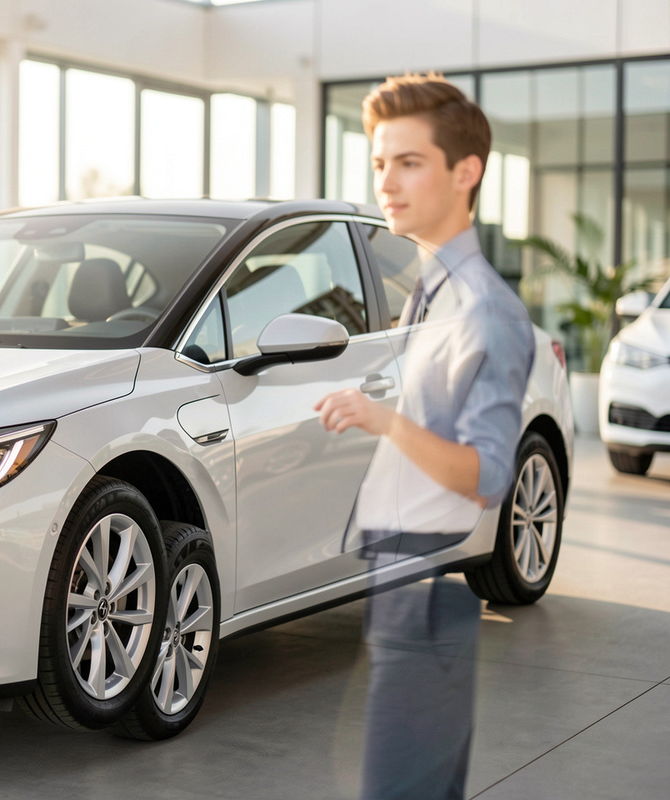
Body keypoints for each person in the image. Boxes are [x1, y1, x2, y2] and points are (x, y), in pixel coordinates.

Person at [313, 73, 535, 799]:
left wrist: (382, 419)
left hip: (430, 584)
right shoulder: (430, 290)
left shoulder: (484, 314)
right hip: (399, 583)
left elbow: (484, 475)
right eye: (380, 164)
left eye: (409, 162)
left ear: (464, 172)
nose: (388, 182)